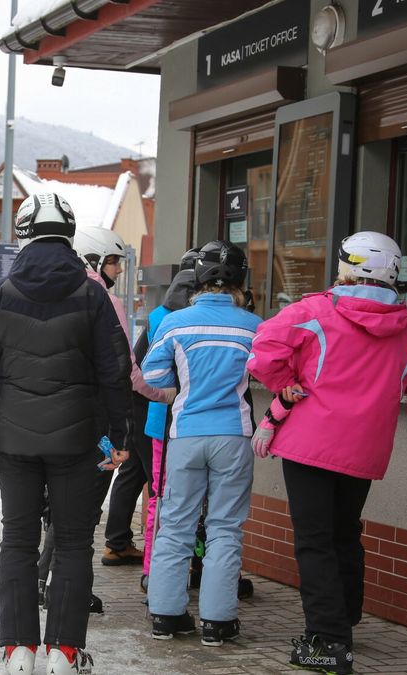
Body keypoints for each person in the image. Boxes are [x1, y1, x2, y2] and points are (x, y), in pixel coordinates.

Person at [246, 231, 407, 675]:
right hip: (364, 450)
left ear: (345, 266)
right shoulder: (405, 329)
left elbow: (262, 355)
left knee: (314, 541)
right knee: (343, 535)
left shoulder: (313, 311)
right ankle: (344, 620)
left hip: (309, 445)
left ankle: (328, 642)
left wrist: (287, 386)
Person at [0, 193, 133, 675]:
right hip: (79, 443)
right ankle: (64, 652)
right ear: (69, 234)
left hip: (15, 441)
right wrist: (117, 436)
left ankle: (18, 652)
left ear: (23, 232)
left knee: (17, 541)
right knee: (74, 542)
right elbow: (114, 371)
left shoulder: (0, 293)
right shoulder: (93, 293)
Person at [140, 241, 261, 647]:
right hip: (234, 435)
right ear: (241, 281)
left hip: (187, 435)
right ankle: (217, 622)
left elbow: (151, 377)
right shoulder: (254, 326)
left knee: (175, 526)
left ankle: (165, 616)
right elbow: (272, 373)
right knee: (225, 528)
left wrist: (178, 394)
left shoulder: (175, 323)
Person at [72, 226, 175, 569]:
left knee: (63, 506)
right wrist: (160, 393)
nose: (117, 270)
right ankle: (73, 584)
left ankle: (48, 577)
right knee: (89, 499)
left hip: (61, 420)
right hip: (100, 426)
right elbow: (126, 368)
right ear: (94, 259)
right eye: (113, 262)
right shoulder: (105, 299)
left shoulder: (59, 294)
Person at [132, 250, 199, 589]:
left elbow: (140, 372)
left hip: (160, 422)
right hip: (183, 422)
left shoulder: (159, 315)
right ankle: (173, 569)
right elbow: (140, 373)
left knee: (160, 495)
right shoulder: (201, 316)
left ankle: (153, 571)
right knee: (192, 499)